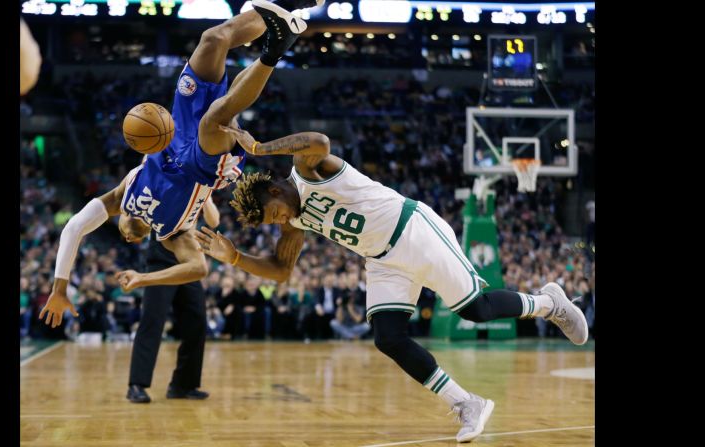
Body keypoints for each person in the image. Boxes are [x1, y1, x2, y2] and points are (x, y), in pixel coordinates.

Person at [195, 126, 589, 443]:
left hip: (412, 231)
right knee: (387, 337)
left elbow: (319, 140)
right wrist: (234, 258)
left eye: (275, 212)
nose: (279, 220)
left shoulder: (309, 168)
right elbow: (281, 271)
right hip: (383, 261)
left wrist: (260, 147)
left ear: (276, 190)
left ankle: (549, 304)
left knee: (476, 309)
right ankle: (467, 402)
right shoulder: (294, 223)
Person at [39, 0, 316, 328]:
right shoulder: (172, 234)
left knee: (213, 39)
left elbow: (73, 228)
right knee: (216, 118)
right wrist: (144, 279)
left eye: (123, 234)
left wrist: (60, 287)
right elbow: (198, 269)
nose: (128, 237)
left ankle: (287, 8)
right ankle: (275, 48)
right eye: (133, 241)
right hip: (202, 165)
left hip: (176, 132)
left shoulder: (121, 195)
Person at [126, 198, 219, 403]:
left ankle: (183, 385)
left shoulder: (201, 187)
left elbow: (213, 221)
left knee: (197, 322)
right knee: (153, 320)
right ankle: (136, 385)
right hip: (161, 256)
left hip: (189, 261)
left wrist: (207, 198)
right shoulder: (169, 181)